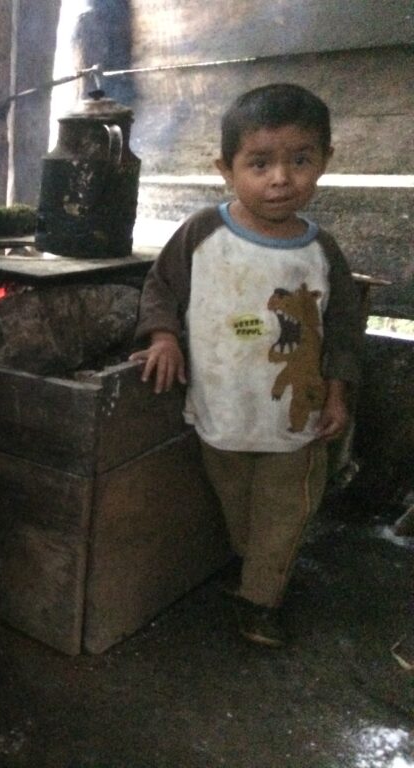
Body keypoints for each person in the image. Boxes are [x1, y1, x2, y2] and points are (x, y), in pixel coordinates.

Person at [131, 83, 364, 648]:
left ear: (325, 162)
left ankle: (261, 601)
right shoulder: (202, 234)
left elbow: (344, 330)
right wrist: (163, 336)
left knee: (283, 515)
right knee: (239, 509)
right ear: (226, 169)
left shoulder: (321, 251)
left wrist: (338, 394)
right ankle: (256, 568)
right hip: (222, 416)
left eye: (300, 160)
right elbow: (161, 286)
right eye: (260, 163)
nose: (281, 178)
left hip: (296, 417)